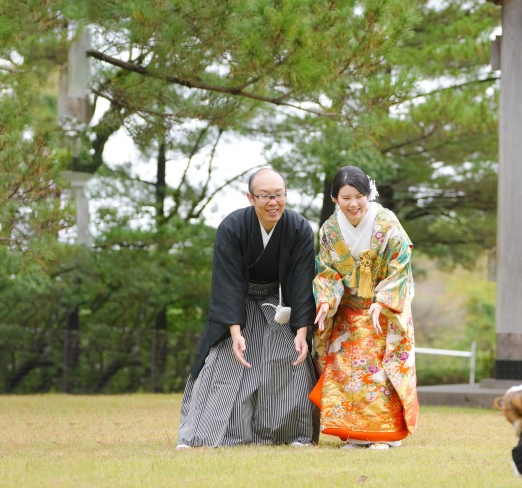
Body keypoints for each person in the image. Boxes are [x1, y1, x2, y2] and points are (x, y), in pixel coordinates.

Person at [177, 168, 319, 447]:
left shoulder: (299, 227)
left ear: (286, 195)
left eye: (278, 195)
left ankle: (288, 434)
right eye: (265, 196)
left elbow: (302, 282)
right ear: (251, 198)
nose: (273, 202)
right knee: (225, 363)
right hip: (238, 304)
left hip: (279, 304)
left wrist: (302, 331)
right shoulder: (232, 227)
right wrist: (235, 331)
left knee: (288, 359)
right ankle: (206, 434)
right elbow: (226, 282)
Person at [310, 165, 418, 450]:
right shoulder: (329, 231)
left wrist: (383, 301)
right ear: (335, 199)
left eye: (359, 196)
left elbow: (401, 266)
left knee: (377, 372)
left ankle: (383, 434)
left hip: (381, 310)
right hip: (347, 309)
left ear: (368, 195)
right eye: (345, 197)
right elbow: (327, 273)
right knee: (346, 371)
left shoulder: (387, 224)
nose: (353, 203)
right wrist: (324, 302)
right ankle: (355, 434)